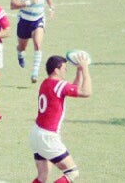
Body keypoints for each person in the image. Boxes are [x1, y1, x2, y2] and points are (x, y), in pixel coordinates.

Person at [29, 55, 92, 183]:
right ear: (56, 70)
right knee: (72, 173)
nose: (65, 71)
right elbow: (86, 92)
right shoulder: (59, 86)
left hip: (36, 134)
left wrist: (78, 71)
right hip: (48, 137)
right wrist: (85, 69)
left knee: (43, 176)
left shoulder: (46, 83)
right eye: (64, 68)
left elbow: (73, 88)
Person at [10, 0, 55, 83]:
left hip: (38, 20)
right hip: (24, 21)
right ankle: (20, 54)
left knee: (38, 44)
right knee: (22, 46)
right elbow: (13, 4)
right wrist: (29, 2)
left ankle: (34, 73)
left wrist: (51, 7)